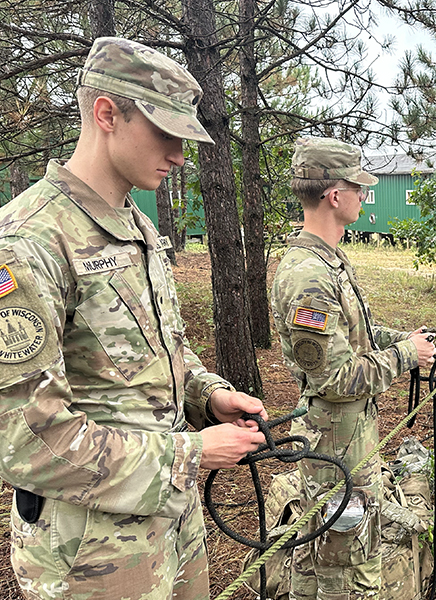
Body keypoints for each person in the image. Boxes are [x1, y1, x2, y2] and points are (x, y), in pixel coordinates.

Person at [0, 37, 268, 599]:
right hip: (91, 560)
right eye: (165, 133)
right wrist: (192, 455)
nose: (179, 153)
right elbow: (26, 441)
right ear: (106, 114)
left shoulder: (137, 227)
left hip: (169, 533)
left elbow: (158, 351)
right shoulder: (27, 242)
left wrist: (207, 396)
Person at [270, 137, 436, 600]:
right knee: (350, 557)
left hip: (346, 432)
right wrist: (407, 357)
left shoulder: (328, 260)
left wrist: (399, 339)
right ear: (334, 195)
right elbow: (335, 378)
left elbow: (353, 335)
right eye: (359, 189)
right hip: (337, 440)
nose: (366, 197)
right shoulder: (309, 275)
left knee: (317, 549)